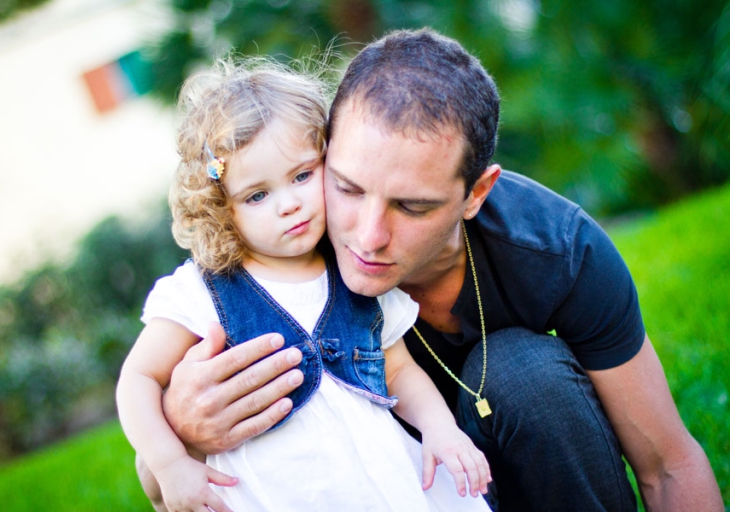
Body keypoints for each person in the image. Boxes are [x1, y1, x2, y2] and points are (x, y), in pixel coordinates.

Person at [142, 29, 724, 512]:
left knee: (525, 372)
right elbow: (158, 477)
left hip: (494, 480)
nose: (365, 236)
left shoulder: (557, 252)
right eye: (345, 186)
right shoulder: (256, 274)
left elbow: (669, 465)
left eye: (411, 206)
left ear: (476, 193)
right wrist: (181, 433)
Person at [117, 56, 493, 512]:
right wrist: (170, 463)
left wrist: (439, 427)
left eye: (301, 176)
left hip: (387, 489)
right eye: (257, 195)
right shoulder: (202, 292)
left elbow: (398, 370)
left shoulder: (353, 271)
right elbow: (137, 379)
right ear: (221, 207)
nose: (289, 205)